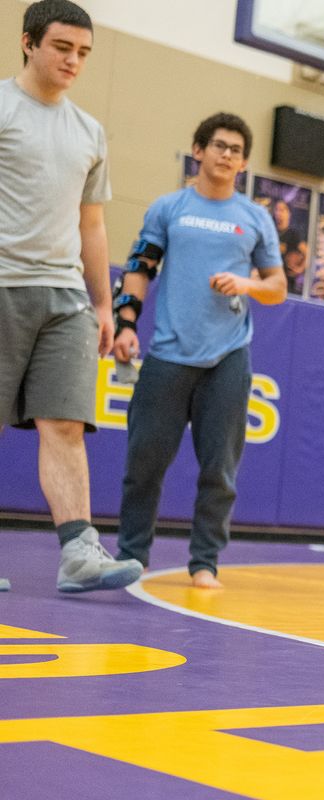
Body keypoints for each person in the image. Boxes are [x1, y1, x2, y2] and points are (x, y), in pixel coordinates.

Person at [0, 0, 144, 593]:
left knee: (64, 421)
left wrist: (105, 304)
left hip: (66, 298)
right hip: (4, 282)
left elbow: (92, 225)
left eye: (83, 52)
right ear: (30, 42)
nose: (74, 61)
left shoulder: (89, 132)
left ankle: (80, 555)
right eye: (63, 47)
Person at [111, 112, 286, 589]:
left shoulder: (254, 218)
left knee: (220, 468)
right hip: (168, 353)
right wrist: (126, 324)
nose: (227, 154)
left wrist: (247, 283)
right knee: (144, 459)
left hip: (228, 356)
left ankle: (205, 561)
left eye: (235, 149)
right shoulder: (169, 208)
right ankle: (132, 554)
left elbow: (277, 286)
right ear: (198, 150)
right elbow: (139, 268)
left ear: (244, 162)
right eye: (219, 146)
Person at [272, 199, 307, 295]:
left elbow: (308, 253)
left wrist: (300, 268)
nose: (279, 213)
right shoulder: (270, 232)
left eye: (282, 210)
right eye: (277, 210)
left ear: (289, 213)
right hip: (269, 279)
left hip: (286, 283)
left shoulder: (294, 234)